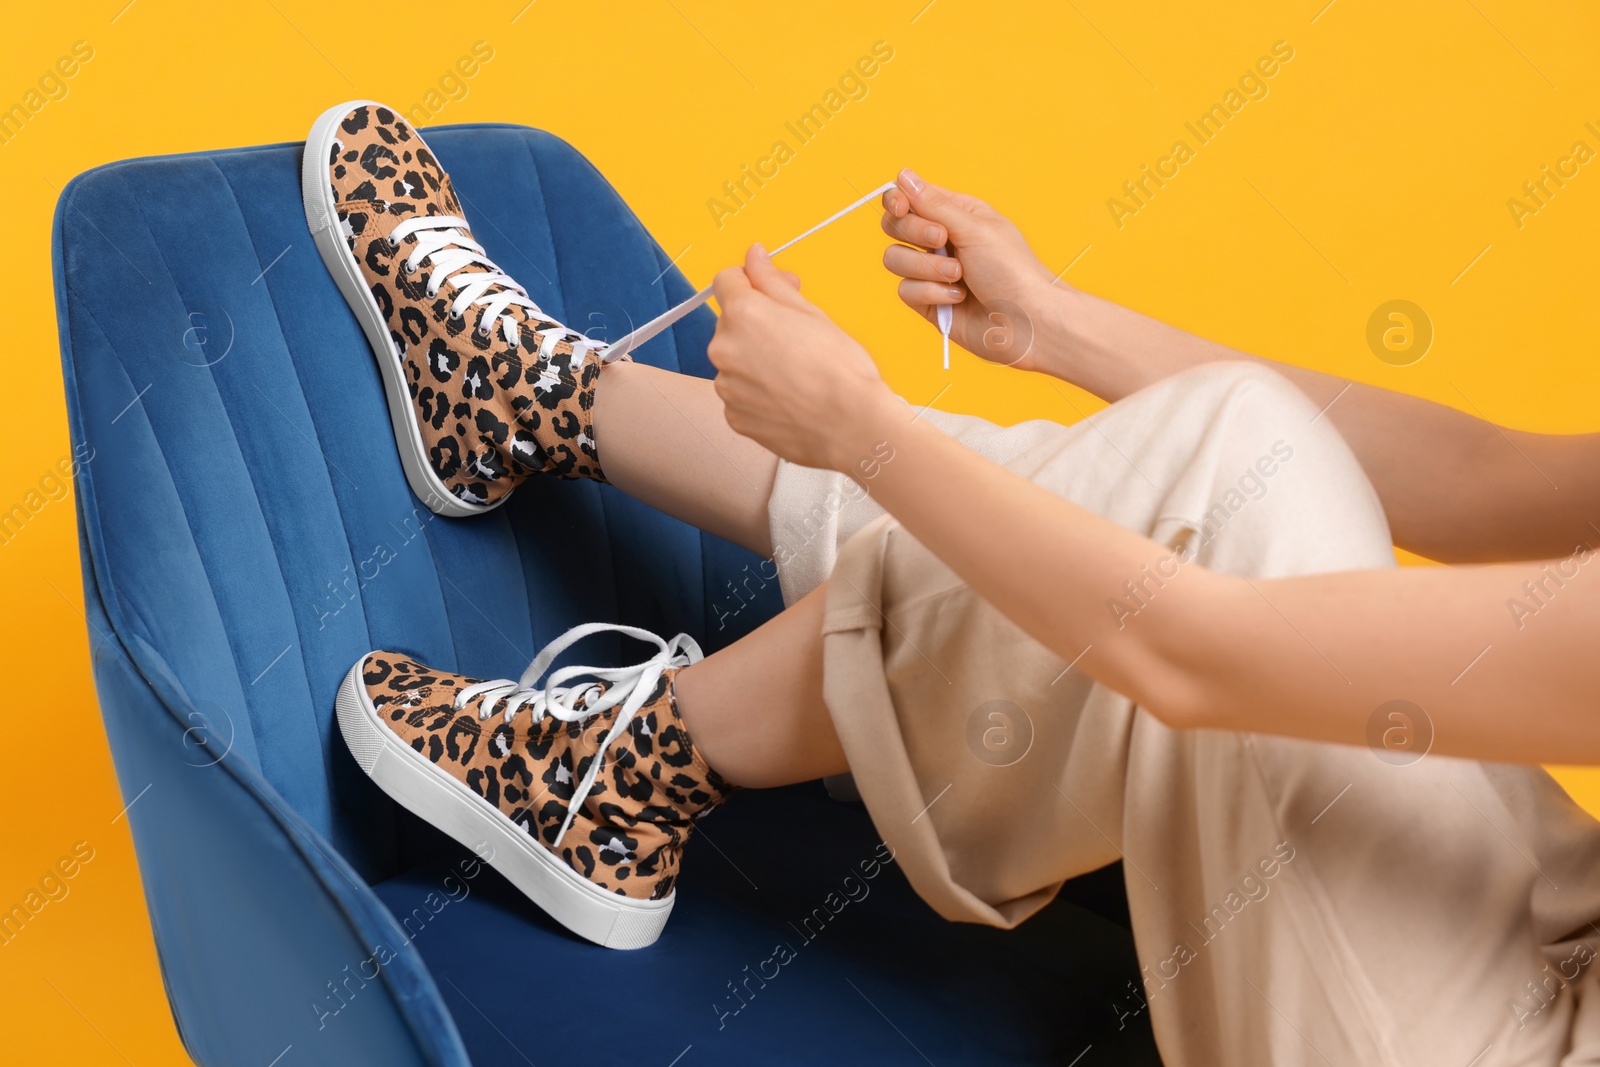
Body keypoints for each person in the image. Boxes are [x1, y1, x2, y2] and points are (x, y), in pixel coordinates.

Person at [306, 101, 1600, 1065]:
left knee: (1207, 526)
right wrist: (1056, 324)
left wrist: (867, 432)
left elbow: (1197, 658)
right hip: (1545, 910)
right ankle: (528, 396)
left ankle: (627, 766)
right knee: (1241, 460)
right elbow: (1482, 482)